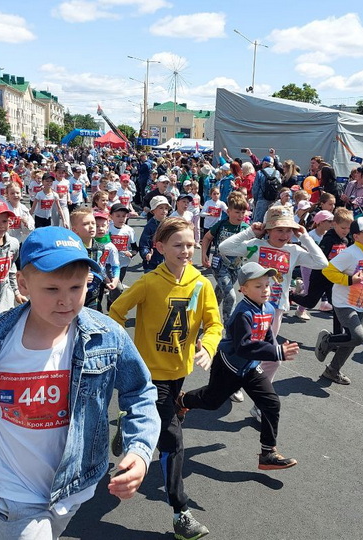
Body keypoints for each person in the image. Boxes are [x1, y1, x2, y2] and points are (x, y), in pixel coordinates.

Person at [0, 226, 160, 540]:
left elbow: (140, 390)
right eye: (51, 289)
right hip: (9, 489)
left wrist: (140, 450)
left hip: (75, 484)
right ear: (23, 283)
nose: (67, 301)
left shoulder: (107, 336)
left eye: (77, 287)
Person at [110, 217, 222, 540]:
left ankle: (129, 418)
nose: (186, 250)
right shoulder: (148, 283)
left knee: (165, 428)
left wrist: (209, 347)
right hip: (149, 374)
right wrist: (124, 348)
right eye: (178, 245)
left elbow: (214, 325)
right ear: (159, 247)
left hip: (179, 373)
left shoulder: (201, 284)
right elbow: (116, 312)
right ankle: (180, 512)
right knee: (173, 441)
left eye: (190, 244)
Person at [177, 262, 300, 470]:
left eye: (267, 285)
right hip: (229, 366)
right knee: (211, 401)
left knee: (271, 403)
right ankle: (182, 400)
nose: (265, 290)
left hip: (250, 367)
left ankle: (268, 453)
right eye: (258, 286)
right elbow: (243, 347)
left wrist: (276, 347)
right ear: (243, 289)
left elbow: (267, 334)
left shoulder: (268, 307)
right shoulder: (243, 313)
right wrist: (276, 353)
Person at [315, 216, 363, 385]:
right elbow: (328, 271)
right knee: (357, 337)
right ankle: (328, 341)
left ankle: (332, 371)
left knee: (351, 340)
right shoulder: (350, 253)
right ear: (356, 236)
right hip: (343, 302)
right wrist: (350, 280)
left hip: (362, 302)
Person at [201, 192, 250, 319]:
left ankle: (208, 315)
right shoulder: (221, 225)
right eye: (237, 212)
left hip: (236, 267)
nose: (240, 216)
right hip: (220, 266)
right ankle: (229, 328)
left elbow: (253, 247)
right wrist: (204, 255)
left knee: (220, 292)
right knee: (230, 296)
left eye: (243, 212)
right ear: (228, 212)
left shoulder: (246, 228)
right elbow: (206, 238)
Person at [139, 195, 171, 273]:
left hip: (167, 260)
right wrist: (146, 253)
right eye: (160, 208)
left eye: (166, 208)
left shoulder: (169, 224)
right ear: (153, 211)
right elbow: (143, 244)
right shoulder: (149, 226)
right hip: (152, 261)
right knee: (151, 283)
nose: (164, 211)